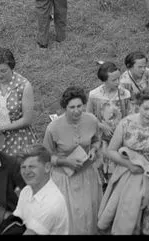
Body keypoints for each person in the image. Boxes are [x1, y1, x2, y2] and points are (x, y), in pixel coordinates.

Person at [98, 89, 149, 235]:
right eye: (145, 108)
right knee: (127, 211)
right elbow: (111, 151)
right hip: (128, 174)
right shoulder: (126, 123)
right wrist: (129, 165)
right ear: (138, 106)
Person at [43, 87, 103, 235]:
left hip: (87, 174)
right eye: (72, 107)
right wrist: (65, 162)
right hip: (64, 178)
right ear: (65, 108)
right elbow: (46, 156)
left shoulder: (91, 120)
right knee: (70, 217)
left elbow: (96, 140)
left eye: (79, 106)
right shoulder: (53, 128)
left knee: (88, 211)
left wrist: (94, 149)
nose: (76, 111)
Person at [0, 48, 36, 157]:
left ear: (11, 68)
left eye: (3, 71)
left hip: (18, 133)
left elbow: (27, 120)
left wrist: (0, 129)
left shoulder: (24, 86)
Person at [88, 62, 133, 185]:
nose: (118, 82)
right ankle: (103, 182)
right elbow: (89, 115)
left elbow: (129, 115)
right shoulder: (94, 95)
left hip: (119, 134)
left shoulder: (125, 94)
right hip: (101, 135)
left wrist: (121, 129)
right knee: (102, 157)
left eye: (119, 78)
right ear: (104, 80)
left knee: (117, 158)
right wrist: (101, 125)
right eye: (114, 80)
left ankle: (118, 180)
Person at [14, 145, 70, 235]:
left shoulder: (52, 203)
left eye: (32, 167)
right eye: (23, 167)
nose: (26, 172)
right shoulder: (26, 190)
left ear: (47, 167)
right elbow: (15, 221)